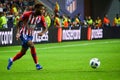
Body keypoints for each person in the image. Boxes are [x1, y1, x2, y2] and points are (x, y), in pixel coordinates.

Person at [7, 3, 48, 70]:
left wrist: (42, 32)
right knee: (32, 45)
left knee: (23, 53)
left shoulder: (41, 17)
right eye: (42, 9)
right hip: (23, 33)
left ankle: (11, 60)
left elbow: (45, 28)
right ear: (36, 9)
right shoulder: (27, 14)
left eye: (44, 10)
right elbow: (19, 23)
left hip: (30, 35)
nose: (43, 11)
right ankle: (37, 64)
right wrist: (17, 33)